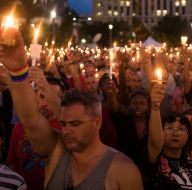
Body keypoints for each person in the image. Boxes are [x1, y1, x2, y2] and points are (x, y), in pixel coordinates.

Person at [0, 30, 143, 190]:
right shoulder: (56, 151)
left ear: (97, 122)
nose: (66, 130)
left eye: (75, 124)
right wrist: (18, 70)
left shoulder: (122, 170)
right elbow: (30, 119)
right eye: (63, 123)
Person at [148, 83, 192, 189]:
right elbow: (155, 143)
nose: (175, 133)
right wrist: (155, 107)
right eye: (170, 128)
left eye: (181, 129)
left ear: (188, 136)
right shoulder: (156, 162)